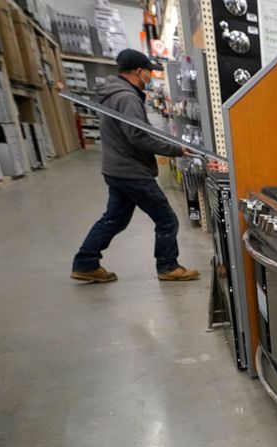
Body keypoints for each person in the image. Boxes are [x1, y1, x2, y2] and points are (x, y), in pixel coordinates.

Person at [70, 49, 200, 283]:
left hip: (116, 168)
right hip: (131, 171)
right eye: (149, 72)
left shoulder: (113, 94)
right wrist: (176, 149)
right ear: (139, 71)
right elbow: (138, 136)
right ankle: (168, 266)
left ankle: (85, 262)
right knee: (166, 219)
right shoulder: (127, 97)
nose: (151, 77)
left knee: (114, 219)